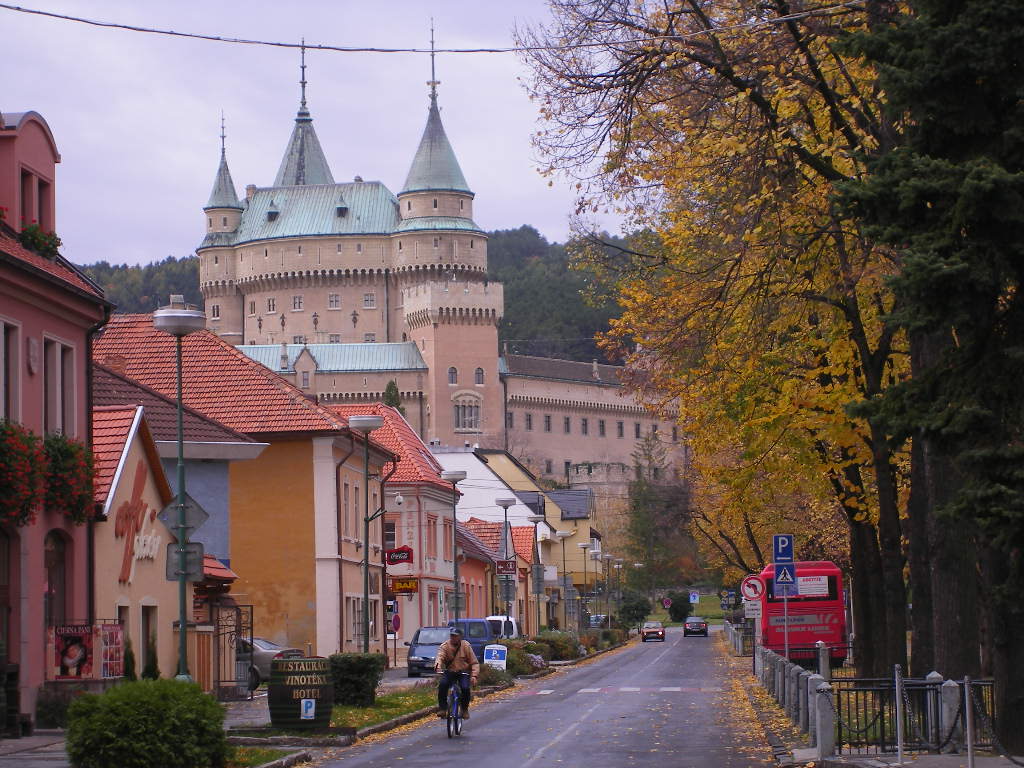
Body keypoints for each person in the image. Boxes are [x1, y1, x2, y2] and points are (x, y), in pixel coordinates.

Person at [434, 627, 479, 719]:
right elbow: (440, 656)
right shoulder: (445, 646)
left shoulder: (466, 646)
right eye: (452, 636)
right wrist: (438, 666)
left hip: (463, 672)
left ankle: (464, 709)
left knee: (465, 688)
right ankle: (443, 708)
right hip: (450, 671)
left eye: (455, 636)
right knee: (442, 685)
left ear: (460, 637)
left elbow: (474, 662)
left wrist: (474, 675)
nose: (453, 638)